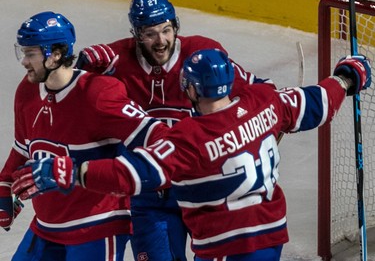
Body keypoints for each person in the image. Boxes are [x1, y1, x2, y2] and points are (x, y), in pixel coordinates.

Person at [11, 49, 372, 260]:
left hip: (224, 245)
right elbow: (316, 103)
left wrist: (74, 172)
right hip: (271, 237)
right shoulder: (265, 102)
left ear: (190, 89)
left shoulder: (189, 138)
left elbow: (132, 174)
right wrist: (346, 78)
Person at [76, 0, 273, 261]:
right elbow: (74, 100)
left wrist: (263, 125)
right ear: (136, 34)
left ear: (176, 27)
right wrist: (83, 72)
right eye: (150, 33)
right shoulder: (116, 61)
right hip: (149, 195)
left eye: (166, 30)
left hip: (206, 192)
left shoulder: (203, 55)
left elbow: (261, 92)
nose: (160, 41)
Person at [0, 11, 168, 260]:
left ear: (55, 54)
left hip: (98, 227)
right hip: (47, 225)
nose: (24, 61)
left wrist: (81, 171)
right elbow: (24, 149)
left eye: (30, 53)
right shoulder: (26, 92)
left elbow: (161, 138)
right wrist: (4, 185)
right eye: (23, 53)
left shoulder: (98, 93)